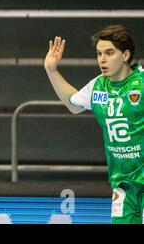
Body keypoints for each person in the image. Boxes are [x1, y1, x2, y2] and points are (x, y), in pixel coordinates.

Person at [44, 25, 143, 224]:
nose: (102, 59)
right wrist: (51, 70)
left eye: (109, 53)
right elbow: (73, 104)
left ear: (125, 55)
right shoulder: (98, 86)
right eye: (99, 54)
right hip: (123, 184)